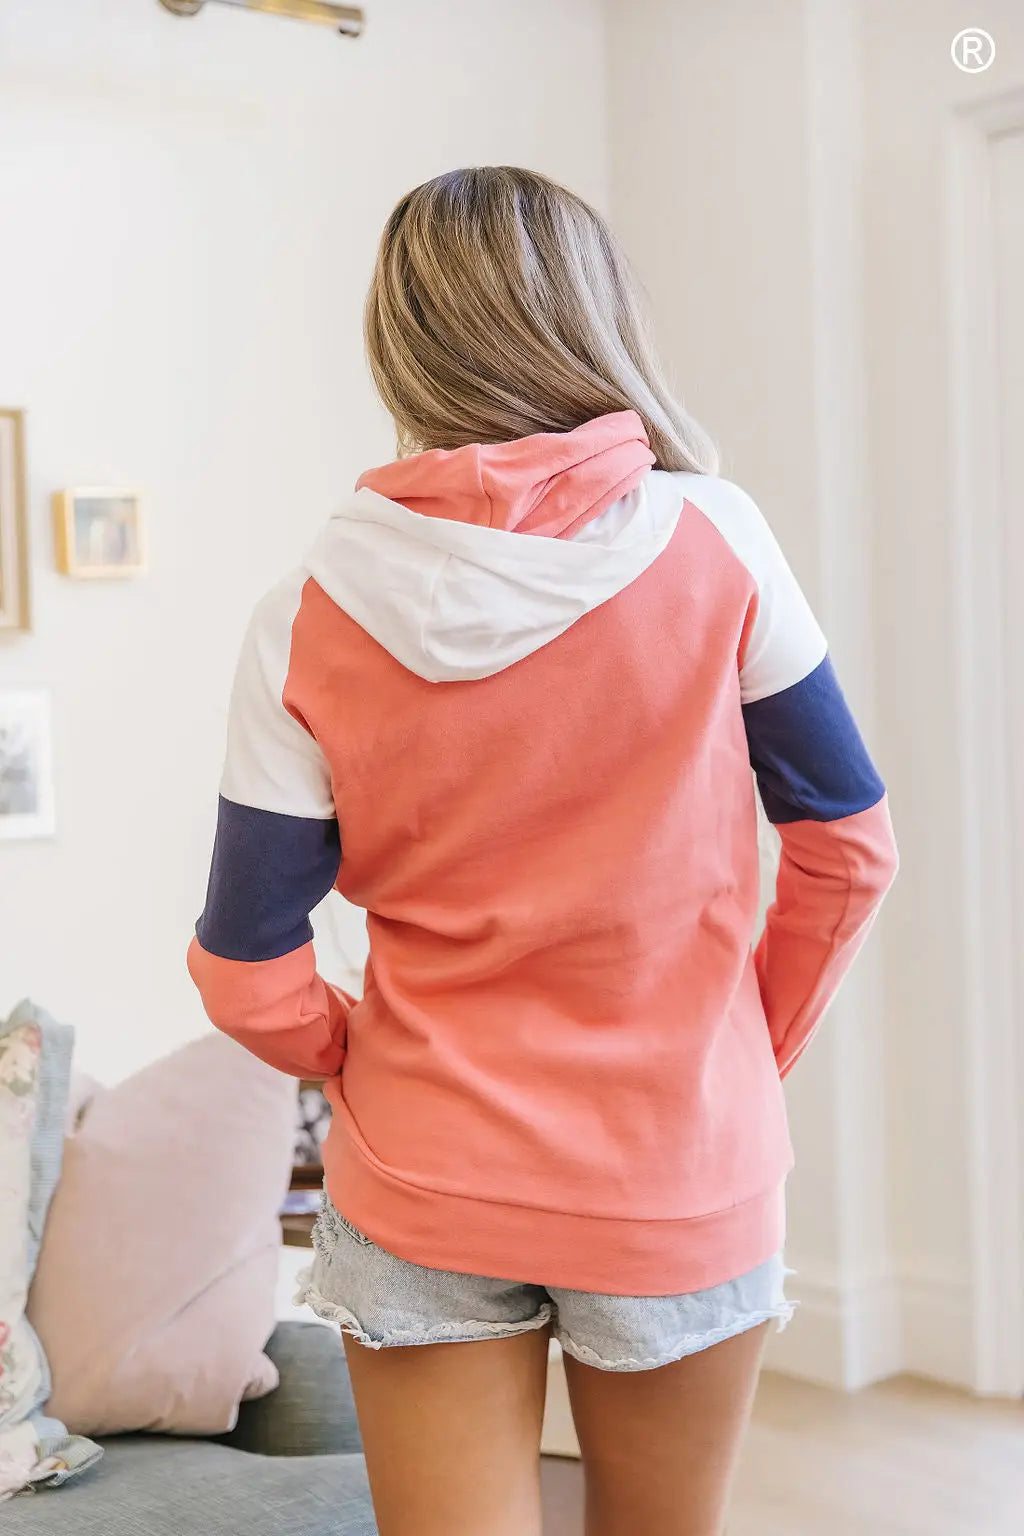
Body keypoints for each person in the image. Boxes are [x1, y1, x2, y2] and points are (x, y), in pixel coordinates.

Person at [188, 166, 897, 1536]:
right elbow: (849, 847)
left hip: (426, 1171)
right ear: (592, 316)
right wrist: (737, 1047)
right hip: (677, 1161)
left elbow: (244, 968)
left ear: (398, 340)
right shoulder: (719, 539)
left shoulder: (307, 611)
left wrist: (364, 1054)